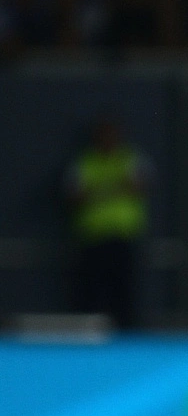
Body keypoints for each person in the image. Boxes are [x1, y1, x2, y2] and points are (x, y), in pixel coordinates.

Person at [65, 116, 152, 329]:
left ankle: (128, 337)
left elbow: (140, 185)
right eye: (103, 134)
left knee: (124, 292)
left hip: (123, 236)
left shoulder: (130, 158)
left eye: (111, 134)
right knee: (90, 291)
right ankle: (87, 337)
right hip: (93, 236)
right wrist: (116, 188)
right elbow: (74, 195)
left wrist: (98, 191)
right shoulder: (84, 161)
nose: (107, 139)